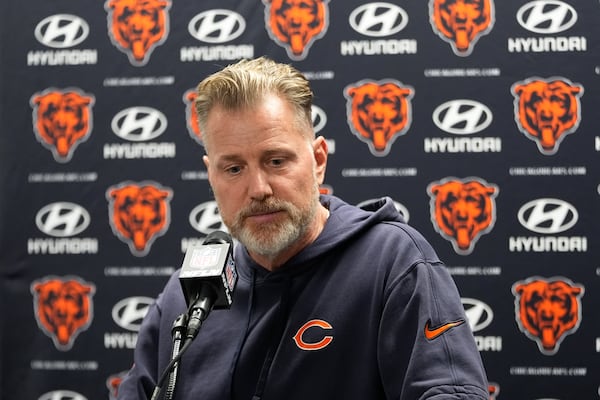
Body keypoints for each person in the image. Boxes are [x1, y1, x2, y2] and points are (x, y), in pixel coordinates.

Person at [117, 56, 489, 400]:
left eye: (276, 161)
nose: (258, 189)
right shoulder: (189, 295)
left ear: (318, 160)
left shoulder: (390, 263)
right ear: (210, 175)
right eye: (233, 169)